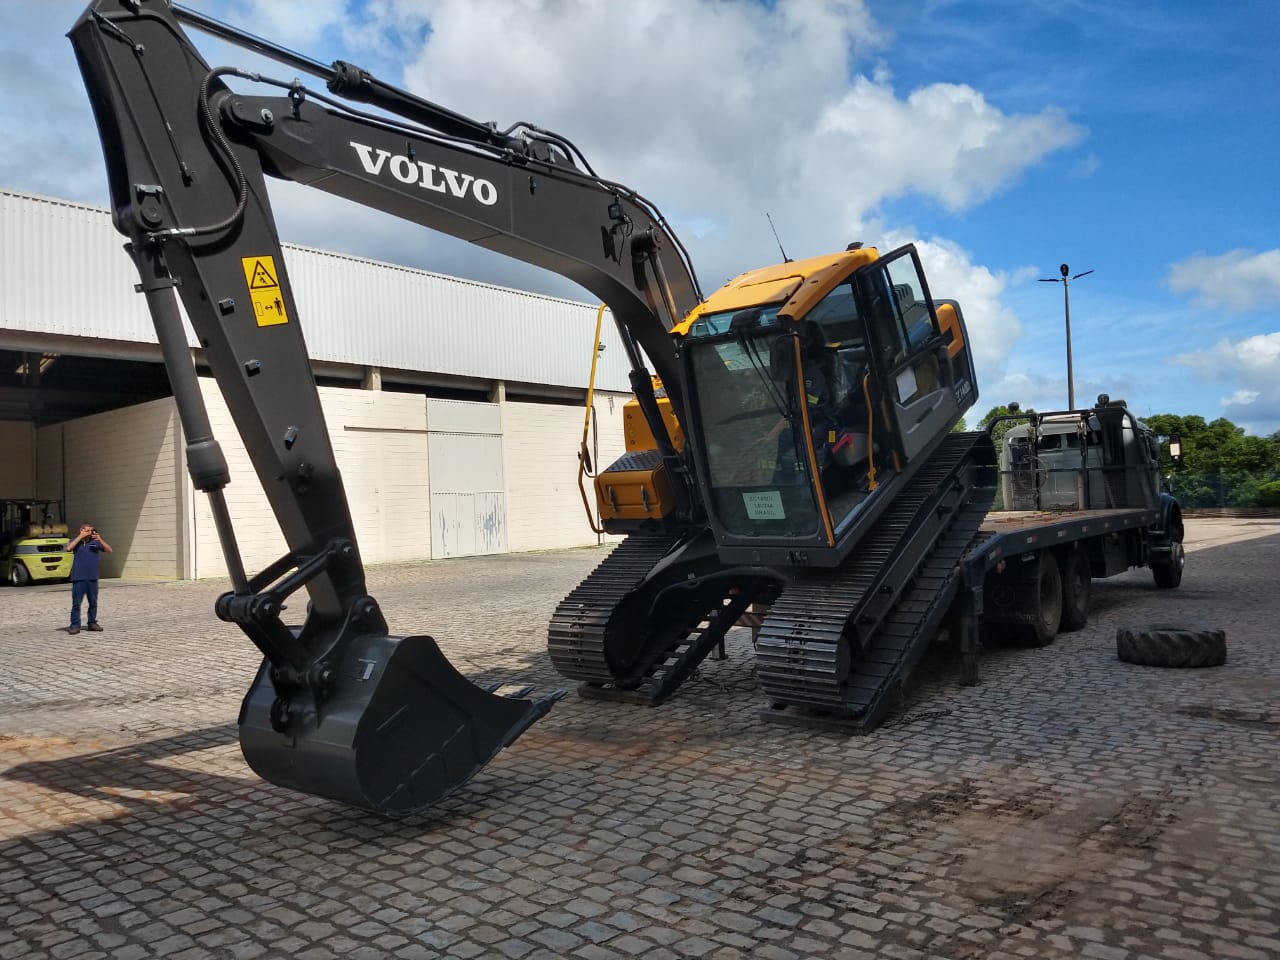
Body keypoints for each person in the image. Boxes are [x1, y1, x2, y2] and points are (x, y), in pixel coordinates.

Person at [66, 523, 112, 635]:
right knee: (76, 603)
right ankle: (75, 625)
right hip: (79, 577)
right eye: (87, 530)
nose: (90, 532)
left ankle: (92, 623)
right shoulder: (76, 542)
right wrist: (80, 537)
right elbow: (68, 548)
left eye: (91, 530)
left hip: (92, 577)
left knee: (93, 602)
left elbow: (109, 550)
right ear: (81, 530)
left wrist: (100, 539)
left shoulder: (95, 542)